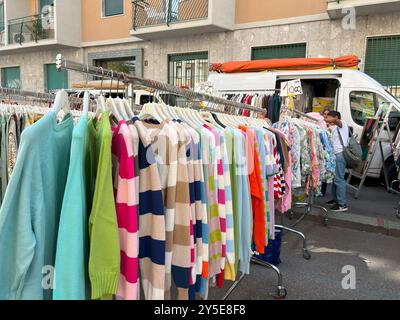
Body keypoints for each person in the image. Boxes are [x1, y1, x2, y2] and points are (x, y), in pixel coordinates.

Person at [325, 110, 349, 212]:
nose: (326, 119)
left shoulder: (343, 124)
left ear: (335, 117)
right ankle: (336, 200)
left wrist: (330, 119)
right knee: (335, 180)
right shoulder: (334, 128)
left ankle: (342, 204)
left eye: (328, 117)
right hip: (335, 156)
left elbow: (336, 121)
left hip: (340, 156)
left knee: (339, 179)